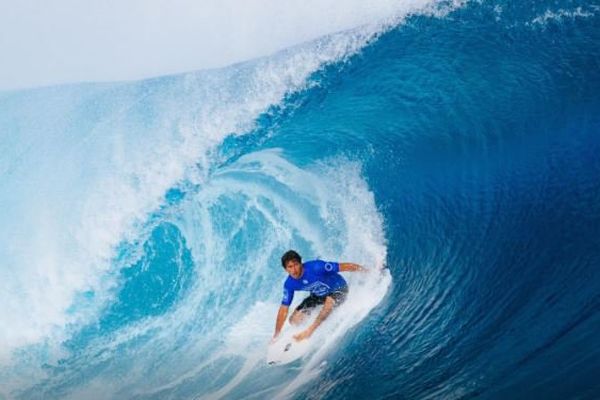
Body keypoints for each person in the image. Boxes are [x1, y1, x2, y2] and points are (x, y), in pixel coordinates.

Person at [272, 250, 365, 342]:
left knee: (328, 303)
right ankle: (317, 318)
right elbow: (284, 308)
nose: (294, 270)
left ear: (301, 263)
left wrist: (368, 271)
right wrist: (276, 334)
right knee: (294, 320)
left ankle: (310, 331)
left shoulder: (316, 267)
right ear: (285, 269)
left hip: (339, 289)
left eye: (296, 265)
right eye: (290, 267)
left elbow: (345, 266)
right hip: (318, 295)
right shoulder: (289, 284)